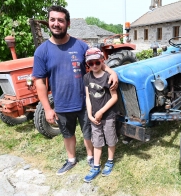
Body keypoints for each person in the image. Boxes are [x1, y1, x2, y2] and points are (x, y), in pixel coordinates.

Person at [32, 5, 118, 176]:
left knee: (88, 132)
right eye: (53, 20)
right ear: (48, 22)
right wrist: (47, 109)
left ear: (68, 23)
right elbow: (39, 82)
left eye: (60, 20)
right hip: (62, 102)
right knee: (67, 133)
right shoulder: (42, 51)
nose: (56, 24)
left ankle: (91, 157)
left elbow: (98, 61)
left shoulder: (80, 46)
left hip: (85, 102)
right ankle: (71, 159)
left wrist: (112, 72)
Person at [83, 48, 118, 182]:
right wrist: (91, 115)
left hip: (108, 115)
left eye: (97, 62)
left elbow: (114, 97)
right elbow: (88, 97)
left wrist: (101, 111)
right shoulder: (87, 77)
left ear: (102, 61)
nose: (94, 66)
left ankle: (109, 161)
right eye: (90, 64)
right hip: (94, 118)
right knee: (96, 141)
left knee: (110, 139)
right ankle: (96, 166)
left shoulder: (108, 77)